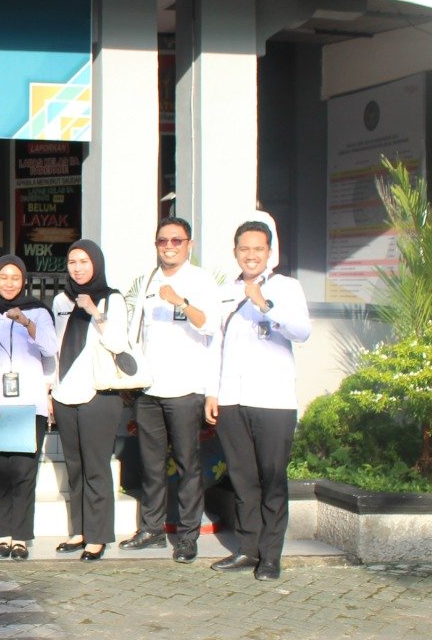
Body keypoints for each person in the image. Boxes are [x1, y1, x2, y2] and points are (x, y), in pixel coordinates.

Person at [205, 220, 312, 581]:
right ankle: (248, 548)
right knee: (243, 479)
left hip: (273, 400)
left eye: (258, 249)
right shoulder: (225, 292)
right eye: (244, 249)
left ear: (269, 252)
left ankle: (270, 555)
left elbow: (302, 332)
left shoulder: (287, 287)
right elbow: (216, 345)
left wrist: (265, 305)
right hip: (233, 399)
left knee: (272, 479)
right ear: (235, 252)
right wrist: (212, 391)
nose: (251, 255)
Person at [118, 217, 219, 563]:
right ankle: (152, 530)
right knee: (151, 464)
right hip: (150, 388)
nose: (169, 246)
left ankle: (188, 537)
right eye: (163, 241)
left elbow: (210, 325)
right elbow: (138, 332)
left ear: (189, 245)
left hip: (186, 388)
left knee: (188, 465)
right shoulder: (149, 279)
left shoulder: (200, 280)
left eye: (177, 240)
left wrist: (180, 302)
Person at [0, 254, 58, 559]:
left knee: (23, 470)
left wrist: (26, 322)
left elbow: (50, 349)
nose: (9, 283)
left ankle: (21, 538)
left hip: (29, 403)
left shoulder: (38, 311)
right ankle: (3, 535)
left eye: (15, 278)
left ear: (24, 281)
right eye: (3, 277)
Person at [51, 239, 128, 561]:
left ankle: (98, 535)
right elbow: (56, 348)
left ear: (96, 263)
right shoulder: (60, 300)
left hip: (99, 393)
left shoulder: (112, 299)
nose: (78, 268)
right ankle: (80, 530)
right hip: (65, 393)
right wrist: (51, 390)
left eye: (84, 261)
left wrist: (95, 312)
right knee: (75, 467)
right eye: (72, 262)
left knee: (96, 467)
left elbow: (118, 343)